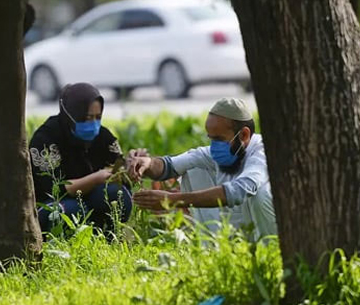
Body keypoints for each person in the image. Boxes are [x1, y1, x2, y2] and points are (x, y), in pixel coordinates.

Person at [127, 97, 277, 240]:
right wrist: (146, 164)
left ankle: (270, 253)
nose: (214, 146)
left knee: (260, 194)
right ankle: (215, 247)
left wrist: (172, 200)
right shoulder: (226, 151)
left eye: (219, 139)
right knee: (194, 169)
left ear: (244, 135)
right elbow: (169, 166)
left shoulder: (262, 152)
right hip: (242, 231)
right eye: (211, 139)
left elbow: (240, 190)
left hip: (272, 230)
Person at [29, 83, 132, 237]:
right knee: (65, 212)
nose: (93, 124)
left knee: (117, 193)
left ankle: (109, 236)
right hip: (56, 203)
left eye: (98, 118)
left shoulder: (103, 136)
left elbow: (119, 167)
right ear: (71, 114)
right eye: (87, 118)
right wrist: (95, 179)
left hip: (91, 199)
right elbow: (55, 191)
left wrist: (132, 167)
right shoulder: (46, 140)